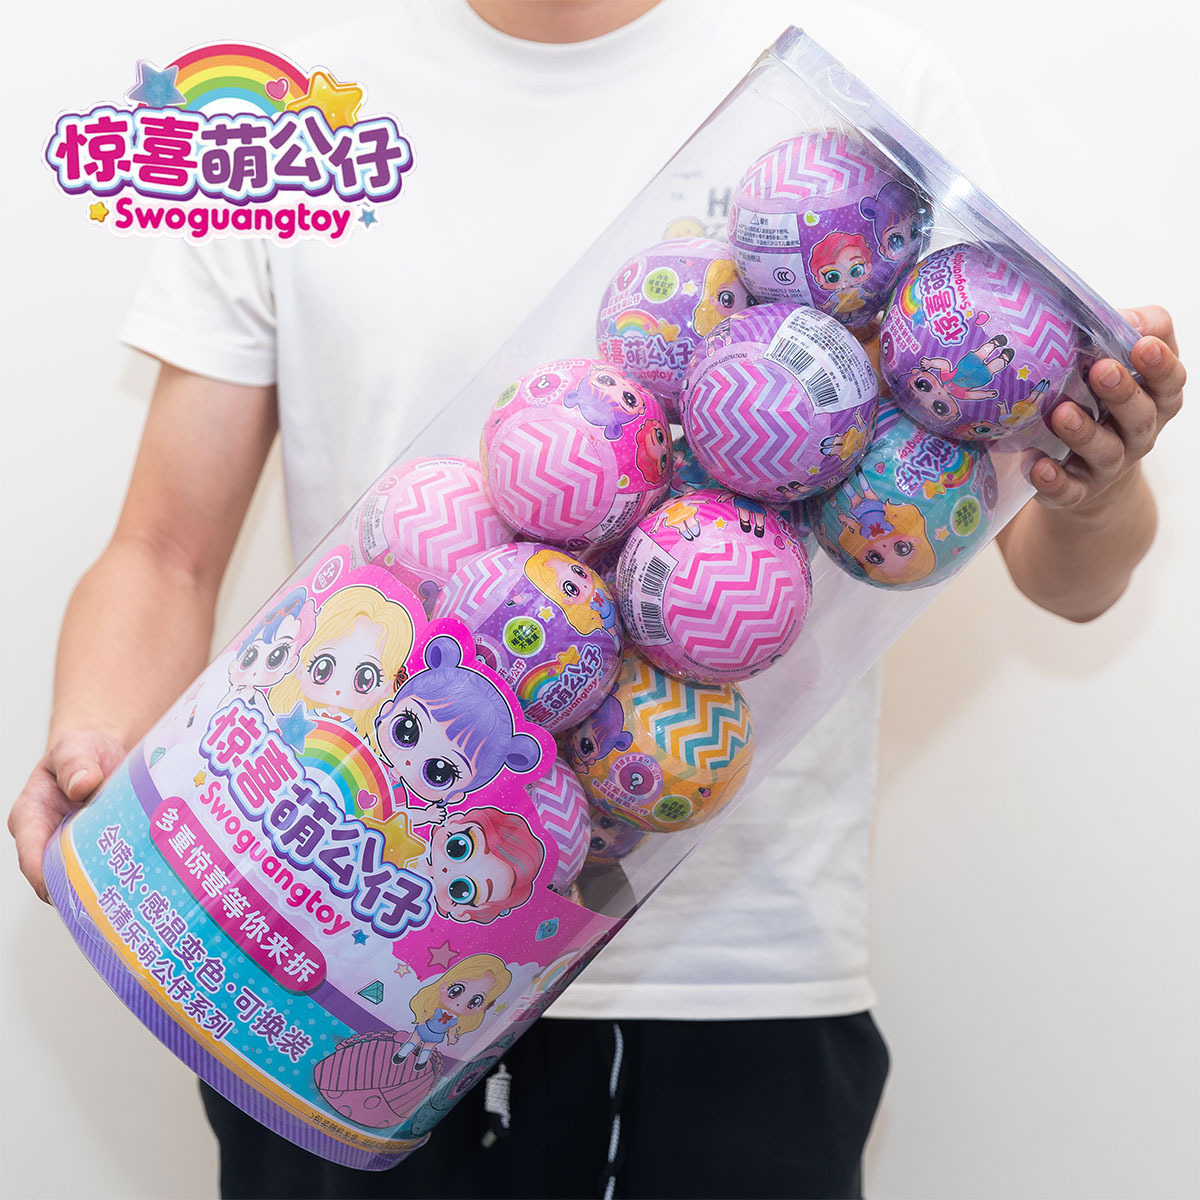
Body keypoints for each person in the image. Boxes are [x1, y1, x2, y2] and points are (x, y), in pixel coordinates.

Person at [8, 1, 1186, 1197]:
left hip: (728, 997)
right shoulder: (294, 117)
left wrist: (1093, 490)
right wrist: (93, 740)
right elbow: (163, 548)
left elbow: (1064, 578)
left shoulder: (864, 95)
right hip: (326, 953)